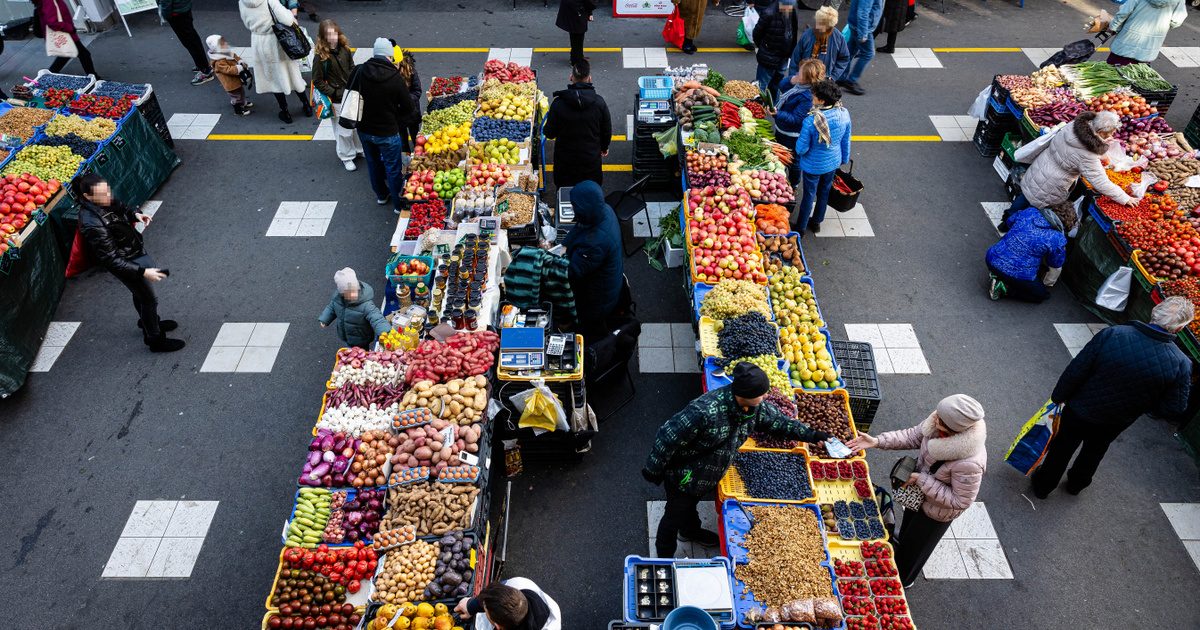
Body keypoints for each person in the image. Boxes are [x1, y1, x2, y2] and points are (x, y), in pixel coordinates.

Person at [642, 363, 832, 557]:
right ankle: (663, 557)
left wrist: (813, 435)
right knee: (674, 515)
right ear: (745, 394)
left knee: (690, 505)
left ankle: (690, 531)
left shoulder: (754, 408)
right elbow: (667, 436)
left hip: (708, 474)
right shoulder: (704, 411)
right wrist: (653, 470)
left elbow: (779, 423)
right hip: (685, 476)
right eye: (762, 393)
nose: (766, 396)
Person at [1031, 297, 1193, 499]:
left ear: (1154, 313)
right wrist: (1145, 406)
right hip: (1117, 419)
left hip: (1081, 407)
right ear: (1178, 329)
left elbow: (1078, 369)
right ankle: (1077, 484)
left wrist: (1059, 396)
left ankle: (1043, 486)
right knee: (1095, 450)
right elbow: (1174, 408)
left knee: (1062, 446)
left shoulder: (1114, 334)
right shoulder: (1181, 363)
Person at [847, 395, 987, 588]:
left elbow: (960, 500)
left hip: (937, 513)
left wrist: (923, 480)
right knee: (908, 530)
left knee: (917, 548)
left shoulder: (970, 463)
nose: (934, 418)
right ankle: (902, 543)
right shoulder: (938, 423)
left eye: (940, 419)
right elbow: (912, 436)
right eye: (938, 414)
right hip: (920, 496)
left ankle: (904, 579)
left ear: (955, 428)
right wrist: (877, 441)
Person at [75, 174, 184, 353]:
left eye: (108, 190)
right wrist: (142, 272)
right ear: (88, 197)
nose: (108, 196)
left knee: (140, 293)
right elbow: (111, 259)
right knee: (149, 299)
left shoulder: (103, 200)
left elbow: (121, 206)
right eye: (103, 194)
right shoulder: (91, 222)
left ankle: (148, 321)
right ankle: (154, 339)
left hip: (132, 253)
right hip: (124, 262)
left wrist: (135, 215)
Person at [1006, 111, 1135, 226]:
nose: (1113, 134)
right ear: (1100, 132)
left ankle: (1006, 220)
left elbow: (1072, 152)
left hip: (1040, 167)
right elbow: (1100, 182)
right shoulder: (1088, 154)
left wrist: (1101, 147)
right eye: (1111, 132)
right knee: (1035, 210)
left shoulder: (1074, 126)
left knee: (1026, 195)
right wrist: (1124, 198)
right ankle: (1019, 230)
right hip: (1053, 183)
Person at [355, 38, 415, 213]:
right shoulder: (394, 78)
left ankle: (381, 195)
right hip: (387, 131)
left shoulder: (359, 71)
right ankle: (398, 204)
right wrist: (397, 119)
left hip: (364, 129)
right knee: (393, 167)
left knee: (373, 163)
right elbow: (408, 107)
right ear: (390, 56)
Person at [562, 181, 623, 340]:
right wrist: (566, 244)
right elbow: (580, 228)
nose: (572, 208)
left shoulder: (595, 243)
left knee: (588, 326)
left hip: (598, 298)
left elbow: (573, 272)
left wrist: (551, 264)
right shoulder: (604, 210)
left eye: (574, 205)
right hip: (607, 282)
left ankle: (590, 344)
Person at [985, 202, 1076, 303]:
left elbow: (1010, 222)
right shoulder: (1057, 238)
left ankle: (997, 274)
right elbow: (1055, 263)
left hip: (992, 257)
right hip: (1017, 272)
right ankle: (1005, 289)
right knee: (1041, 295)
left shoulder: (1030, 212)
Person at [793, 80, 851, 235]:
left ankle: (801, 227)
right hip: (833, 162)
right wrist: (844, 158)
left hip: (813, 165)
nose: (812, 96)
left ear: (822, 100)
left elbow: (801, 148)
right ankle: (817, 222)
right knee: (824, 192)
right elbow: (846, 139)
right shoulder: (843, 113)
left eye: (815, 95)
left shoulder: (811, 121)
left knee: (809, 195)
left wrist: (800, 151)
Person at [239, 0, 311, 124]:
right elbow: (288, 19)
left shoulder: (242, 2)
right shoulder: (270, 0)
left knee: (274, 79)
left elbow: (246, 23)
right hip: (276, 41)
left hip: (259, 42)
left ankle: (285, 112)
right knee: (293, 74)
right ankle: (306, 106)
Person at [543, 60, 611, 189]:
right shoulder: (599, 103)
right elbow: (606, 129)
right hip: (590, 162)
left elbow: (549, 133)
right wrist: (604, 147)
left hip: (565, 163)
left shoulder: (558, 104)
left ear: (571, 77)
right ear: (589, 78)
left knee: (565, 195)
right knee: (590, 195)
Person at [312, 20, 362, 171]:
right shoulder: (320, 57)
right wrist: (333, 92)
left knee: (355, 125)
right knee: (342, 130)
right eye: (329, 35)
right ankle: (346, 156)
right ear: (323, 37)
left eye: (334, 33)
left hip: (351, 94)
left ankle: (358, 150)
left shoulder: (345, 49)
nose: (333, 37)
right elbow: (317, 80)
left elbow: (351, 67)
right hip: (336, 99)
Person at [773, 58, 824, 187]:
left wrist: (778, 113)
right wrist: (792, 80)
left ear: (808, 78)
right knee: (780, 154)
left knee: (794, 161)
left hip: (792, 135)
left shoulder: (807, 97)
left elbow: (796, 119)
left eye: (800, 73)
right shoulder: (798, 85)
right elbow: (781, 86)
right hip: (781, 128)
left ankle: (794, 184)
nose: (797, 73)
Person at [318, 268, 390, 350]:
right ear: (342, 293)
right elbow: (331, 308)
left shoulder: (366, 305)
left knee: (361, 352)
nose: (352, 295)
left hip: (361, 338)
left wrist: (385, 331)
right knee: (349, 348)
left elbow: (377, 318)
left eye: (354, 291)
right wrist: (325, 319)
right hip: (345, 333)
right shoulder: (337, 300)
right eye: (348, 293)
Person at [454, 578, 562, 630]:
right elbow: (493, 594)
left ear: (496, 625)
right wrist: (471, 605)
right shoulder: (519, 583)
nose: (483, 606)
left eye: (485, 610)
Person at [1106, 0, 1188, 65]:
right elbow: (1177, 21)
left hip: (1125, 43)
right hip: (1148, 49)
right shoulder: (1179, 1)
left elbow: (1123, 13)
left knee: (1111, 74)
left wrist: (1113, 27)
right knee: (1135, 79)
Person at [34, 0, 99, 77]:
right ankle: (93, 77)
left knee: (67, 55)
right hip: (64, 33)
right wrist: (69, 28)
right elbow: (53, 22)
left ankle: (49, 75)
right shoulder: (49, 1)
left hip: (64, 32)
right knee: (84, 54)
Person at [751, 0, 799, 103]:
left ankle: (774, 105)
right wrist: (765, 48)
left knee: (776, 83)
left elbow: (793, 31)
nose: (789, 9)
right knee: (761, 86)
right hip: (769, 57)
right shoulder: (769, 13)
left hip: (784, 57)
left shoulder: (792, 10)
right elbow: (756, 34)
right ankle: (758, 108)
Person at [156, 0, 214, 85]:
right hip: (183, 7)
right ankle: (203, 65)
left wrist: (165, 14)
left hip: (176, 12)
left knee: (190, 41)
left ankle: (205, 71)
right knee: (192, 39)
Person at [787, 6, 850, 84]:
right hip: (804, 79)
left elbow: (844, 58)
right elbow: (795, 59)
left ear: (829, 27)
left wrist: (833, 76)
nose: (818, 26)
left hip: (824, 81)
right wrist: (793, 78)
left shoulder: (838, 38)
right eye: (818, 22)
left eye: (822, 24)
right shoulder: (807, 35)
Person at [840, 0, 884, 95]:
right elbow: (863, 12)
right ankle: (851, 81)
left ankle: (841, 77)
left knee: (849, 52)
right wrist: (863, 33)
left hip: (856, 25)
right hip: (862, 28)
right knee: (868, 53)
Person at [206, 35, 254, 117]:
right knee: (236, 96)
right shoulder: (218, 61)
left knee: (241, 92)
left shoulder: (224, 52)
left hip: (235, 80)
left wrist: (240, 61)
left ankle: (242, 103)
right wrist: (238, 67)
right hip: (230, 83)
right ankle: (238, 109)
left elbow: (234, 56)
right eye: (222, 43)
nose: (226, 43)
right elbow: (227, 70)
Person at [396, 49, 422, 156]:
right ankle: (406, 157)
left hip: (411, 111)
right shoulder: (388, 74)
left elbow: (417, 91)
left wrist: (405, 100)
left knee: (415, 135)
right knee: (403, 138)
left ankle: (417, 154)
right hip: (398, 114)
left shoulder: (410, 71)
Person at [556, 0, 596, 68]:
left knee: (575, 34)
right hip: (576, 9)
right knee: (578, 35)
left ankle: (577, 57)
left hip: (573, 8)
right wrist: (590, 11)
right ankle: (576, 60)